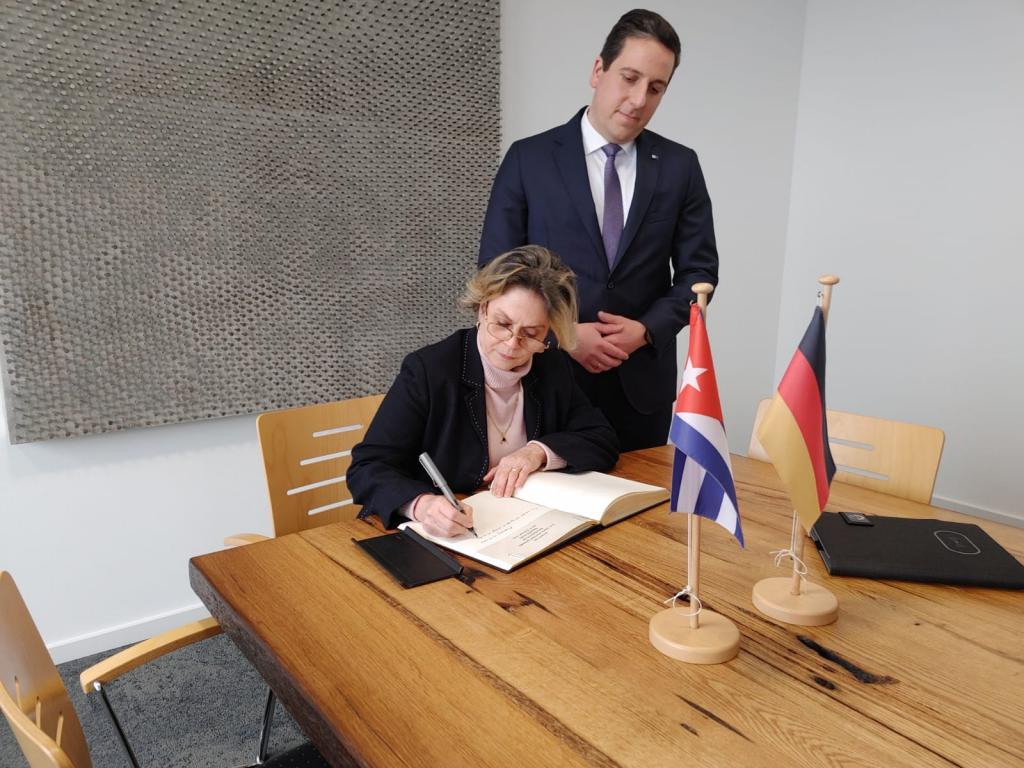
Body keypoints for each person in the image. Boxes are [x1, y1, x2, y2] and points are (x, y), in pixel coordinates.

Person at [478, 9, 719, 452]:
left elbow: (699, 274)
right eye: (629, 78)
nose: (639, 99)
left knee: (644, 497)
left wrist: (646, 329)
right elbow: (495, 274)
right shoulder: (528, 159)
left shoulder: (680, 166)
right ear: (598, 70)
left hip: (640, 390)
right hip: (546, 379)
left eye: (655, 88)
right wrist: (563, 335)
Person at [349, 245, 619, 537]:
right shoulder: (429, 370)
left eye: (531, 334)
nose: (512, 344)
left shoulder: (551, 366)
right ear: (482, 308)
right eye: (502, 324)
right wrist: (422, 505)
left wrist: (536, 452)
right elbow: (368, 467)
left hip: (523, 527)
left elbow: (601, 438)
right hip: (444, 533)